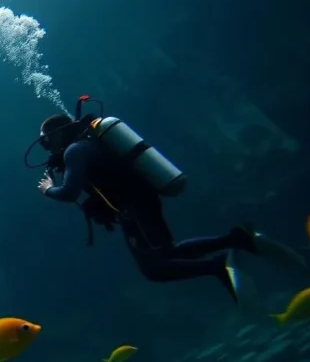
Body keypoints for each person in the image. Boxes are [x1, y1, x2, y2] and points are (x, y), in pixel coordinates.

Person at [35, 112, 259, 302]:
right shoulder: (87, 144)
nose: (45, 148)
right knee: (159, 261)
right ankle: (226, 253)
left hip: (136, 203)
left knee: (159, 262)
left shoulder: (74, 151)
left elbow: (69, 192)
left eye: (45, 141)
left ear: (58, 133)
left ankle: (226, 253)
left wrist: (48, 189)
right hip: (134, 204)